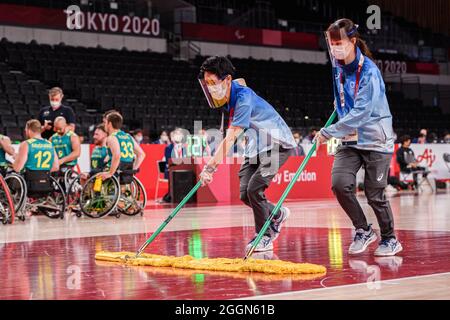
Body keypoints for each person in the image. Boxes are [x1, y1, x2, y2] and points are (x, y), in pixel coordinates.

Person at [315, 18, 402, 256]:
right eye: (331, 43)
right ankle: (363, 230)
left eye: (339, 42)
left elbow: (362, 113)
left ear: (353, 41)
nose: (334, 47)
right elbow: (340, 90)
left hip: (375, 139)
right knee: (339, 185)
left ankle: (390, 238)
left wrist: (327, 132)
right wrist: (338, 102)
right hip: (350, 140)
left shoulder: (370, 73)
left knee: (375, 195)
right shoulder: (336, 62)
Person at [197, 56, 296, 253]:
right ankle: (276, 214)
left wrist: (210, 167)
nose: (209, 87)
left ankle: (265, 236)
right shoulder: (227, 96)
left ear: (226, 80)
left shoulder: (243, 98)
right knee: (245, 194)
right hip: (255, 148)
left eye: (212, 82)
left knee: (254, 189)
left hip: (277, 145)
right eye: (206, 83)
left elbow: (231, 137)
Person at [99, 112, 146, 181]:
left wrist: (110, 173)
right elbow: (141, 154)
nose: (104, 125)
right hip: (126, 172)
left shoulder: (112, 137)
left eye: (105, 122)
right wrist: (133, 170)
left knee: (92, 175)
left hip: (116, 171)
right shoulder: (128, 136)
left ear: (109, 124)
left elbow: (117, 156)